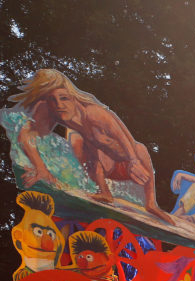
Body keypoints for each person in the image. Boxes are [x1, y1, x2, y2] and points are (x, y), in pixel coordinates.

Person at [9, 69, 173, 222]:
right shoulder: (50, 109)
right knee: (86, 143)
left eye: (64, 98)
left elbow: (123, 136)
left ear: (73, 98)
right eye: (52, 99)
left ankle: (151, 203)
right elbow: (26, 135)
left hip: (123, 156)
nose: (58, 105)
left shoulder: (94, 113)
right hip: (100, 157)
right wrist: (41, 168)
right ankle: (105, 192)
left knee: (139, 148)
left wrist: (133, 161)